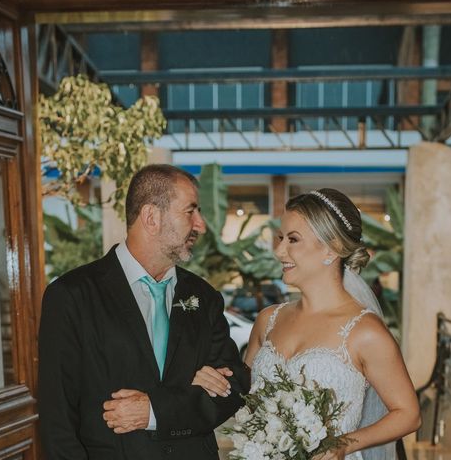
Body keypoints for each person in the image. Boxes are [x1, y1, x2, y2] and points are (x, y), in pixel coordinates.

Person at [38, 164, 250, 460]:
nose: (200, 224)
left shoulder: (204, 297)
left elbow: (233, 387)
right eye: (190, 212)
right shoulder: (71, 296)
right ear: (152, 217)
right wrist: (190, 394)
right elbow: (56, 419)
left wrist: (154, 411)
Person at [193, 188, 420, 459]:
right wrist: (210, 378)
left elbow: (408, 414)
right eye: (280, 238)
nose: (279, 251)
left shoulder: (365, 332)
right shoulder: (268, 320)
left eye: (293, 239)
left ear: (331, 247)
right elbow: (243, 395)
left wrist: (345, 443)